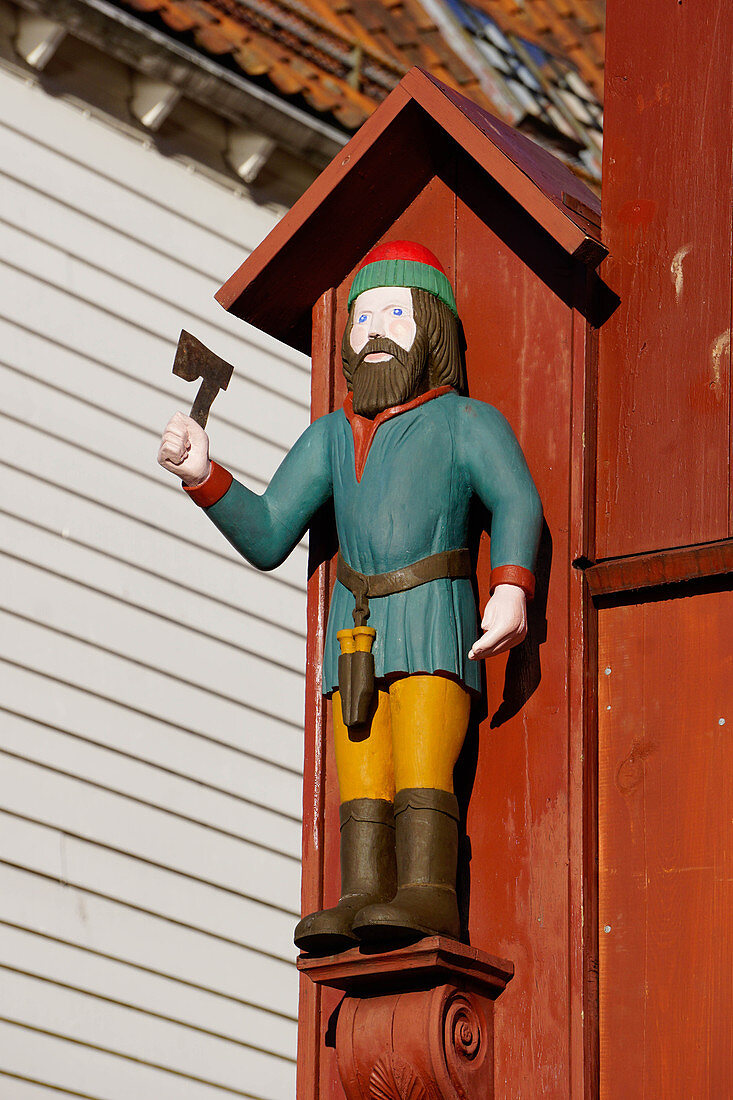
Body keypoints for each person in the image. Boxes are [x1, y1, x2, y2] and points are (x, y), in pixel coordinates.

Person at [158, 241, 542, 954]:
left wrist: (510, 587)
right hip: (354, 623)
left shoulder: (466, 422)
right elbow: (271, 531)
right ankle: (362, 891)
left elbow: (515, 499)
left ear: (429, 327)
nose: (372, 333)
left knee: (425, 756)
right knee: (361, 760)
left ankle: (428, 890)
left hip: (432, 607)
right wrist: (205, 476)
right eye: (362, 319)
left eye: (393, 316)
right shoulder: (330, 436)